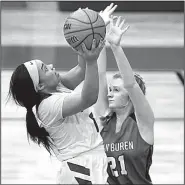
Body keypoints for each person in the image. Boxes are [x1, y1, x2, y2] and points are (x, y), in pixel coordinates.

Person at [7, 3, 118, 184]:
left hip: (89, 162)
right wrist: (92, 61)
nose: (51, 66)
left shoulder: (57, 87)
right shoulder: (47, 106)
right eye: (46, 69)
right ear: (40, 86)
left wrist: (93, 31)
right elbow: (89, 97)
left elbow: (82, 69)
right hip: (81, 167)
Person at [92, 16, 155, 184]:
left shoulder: (143, 123)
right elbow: (99, 75)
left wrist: (115, 46)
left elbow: (131, 84)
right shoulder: (105, 120)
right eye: (110, 89)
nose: (109, 94)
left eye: (116, 90)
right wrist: (99, 33)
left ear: (130, 98)